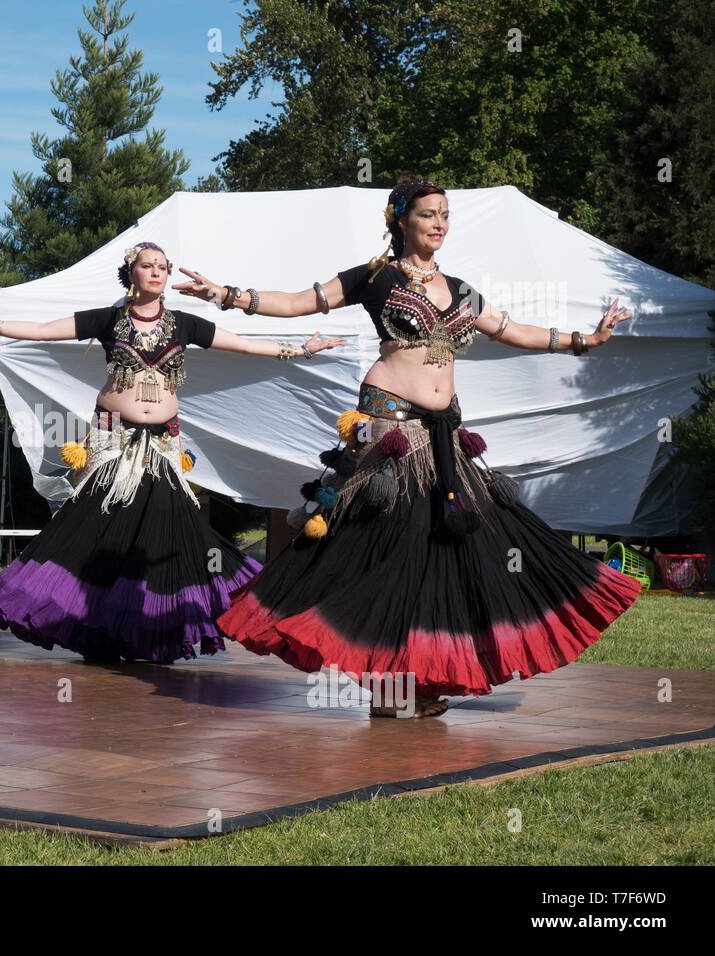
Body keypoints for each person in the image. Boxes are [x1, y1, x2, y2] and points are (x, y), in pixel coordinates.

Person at [176, 179, 640, 716]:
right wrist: (226, 295)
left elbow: (513, 330)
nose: (439, 223)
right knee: (385, 545)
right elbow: (299, 302)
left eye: (445, 215)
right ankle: (387, 682)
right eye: (428, 214)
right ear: (400, 219)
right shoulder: (375, 277)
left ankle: (418, 678)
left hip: (444, 430)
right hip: (390, 428)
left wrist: (586, 339)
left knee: (448, 546)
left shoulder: (462, 290)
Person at [0, 241, 344, 663]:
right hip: (113, 439)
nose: (156, 272)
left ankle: (152, 628)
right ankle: (93, 626)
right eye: (146, 265)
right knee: (100, 528)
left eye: (162, 266)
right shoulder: (109, 320)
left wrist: (299, 350)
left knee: (165, 531)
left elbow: (242, 345)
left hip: (163, 443)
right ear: (129, 273)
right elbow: (43, 331)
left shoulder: (184, 324)